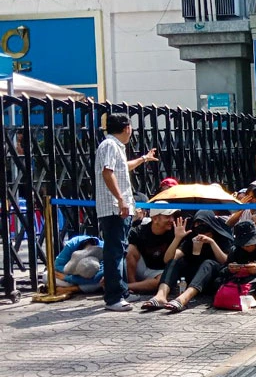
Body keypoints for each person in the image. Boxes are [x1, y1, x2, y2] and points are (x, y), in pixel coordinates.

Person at [95, 114, 158, 311]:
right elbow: (108, 172)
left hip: (118, 207)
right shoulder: (110, 146)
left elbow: (121, 168)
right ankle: (114, 297)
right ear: (126, 128)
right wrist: (120, 199)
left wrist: (143, 159)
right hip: (114, 208)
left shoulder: (114, 146)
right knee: (114, 251)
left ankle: (120, 291)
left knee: (119, 249)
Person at [142, 210, 234, 311]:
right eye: (197, 223)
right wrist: (177, 238)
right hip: (191, 279)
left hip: (211, 280)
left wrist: (212, 243)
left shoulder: (221, 237)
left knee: (208, 263)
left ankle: (183, 299)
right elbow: (167, 259)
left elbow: (226, 261)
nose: (200, 226)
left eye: (203, 223)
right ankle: (161, 296)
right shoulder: (191, 237)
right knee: (174, 261)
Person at [126, 202, 177, 294]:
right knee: (130, 249)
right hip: (143, 267)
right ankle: (131, 285)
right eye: (167, 217)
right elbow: (124, 253)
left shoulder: (175, 232)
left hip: (160, 272)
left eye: (173, 216)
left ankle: (126, 287)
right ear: (155, 218)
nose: (172, 219)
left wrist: (178, 238)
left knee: (162, 280)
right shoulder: (138, 231)